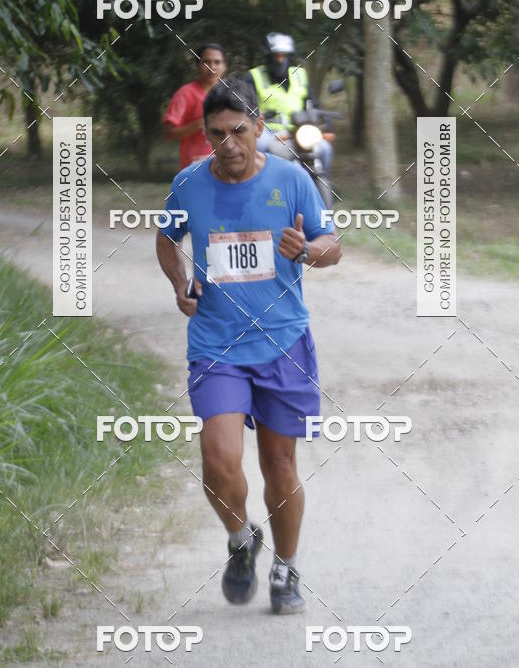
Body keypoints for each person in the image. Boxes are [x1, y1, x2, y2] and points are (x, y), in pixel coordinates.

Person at [156, 76, 341, 614]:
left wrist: (307, 249)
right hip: (216, 342)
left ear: (259, 128)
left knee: (279, 465)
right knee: (217, 460)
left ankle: (286, 568)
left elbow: (334, 245)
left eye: (239, 131)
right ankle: (241, 539)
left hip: (283, 340)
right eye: (216, 133)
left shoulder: (292, 179)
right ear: (205, 134)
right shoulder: (189, 183)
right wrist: (179, 282)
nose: (228, 144)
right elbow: (167, 239)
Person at [245, 32, 333, 175]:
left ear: (289, 57)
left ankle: (323, 181)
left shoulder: (300, 74)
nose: (280, 60)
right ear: (268, 57)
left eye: (284, 56)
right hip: (268, 130)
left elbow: (314, 103)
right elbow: (245, 106)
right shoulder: (254, 76)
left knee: (324, 149)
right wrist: (255, 115)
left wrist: (326, 123)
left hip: (299, 130)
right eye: (276, 56)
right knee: (259, 148)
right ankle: (260, 187)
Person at [162, 43, 227, 169]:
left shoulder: (231, 94)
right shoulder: (185, 94)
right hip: (195, 166)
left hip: (226, 163)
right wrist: (199, 124)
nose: (212, 67)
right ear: (197, 65)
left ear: (224, 66)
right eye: (206, 62)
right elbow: (168, 134)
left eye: (217, 62)